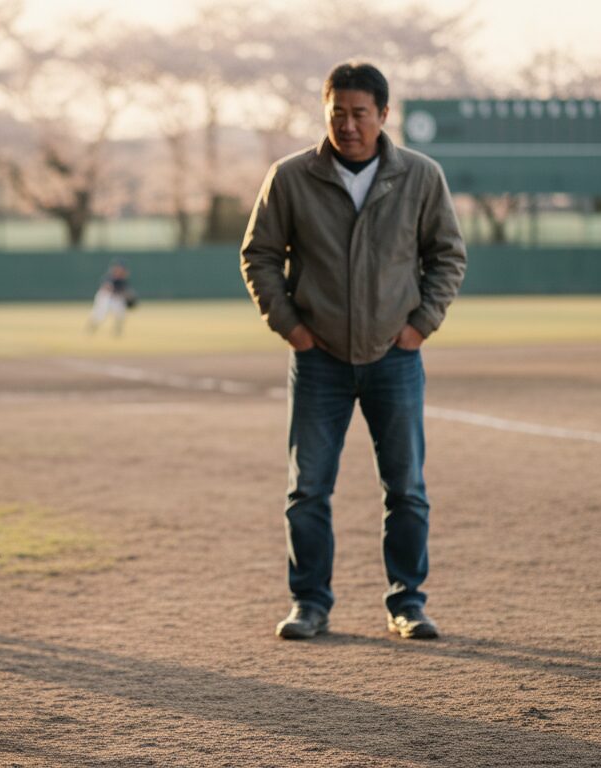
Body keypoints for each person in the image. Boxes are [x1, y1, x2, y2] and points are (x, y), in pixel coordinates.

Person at [240, 61, 466, 641]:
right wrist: (291, 327)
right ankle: (309, 604)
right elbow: (259, 254)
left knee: (406, 490)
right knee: (308, 489)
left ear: (384, 114)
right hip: (318, 360)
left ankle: (408, 604)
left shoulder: (421, 176)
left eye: (359, 112)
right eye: (336, 112)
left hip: (395, 359)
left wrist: (420, 326)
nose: (347, 124)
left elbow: (447, 256)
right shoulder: (290, 177)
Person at [84, 261, 134, 336]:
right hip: (105, 297)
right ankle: (91, 328)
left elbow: (124, 292)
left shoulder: (123, 280)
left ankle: (117, 331)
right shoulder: (109, 278)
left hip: (115, 298)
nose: (121, 271)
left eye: (122, 270)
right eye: (119, 269)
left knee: (121, 314)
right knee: (100, 315)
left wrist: (127, 296)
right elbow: (106, 288)